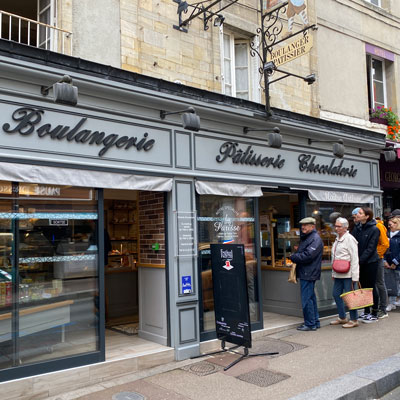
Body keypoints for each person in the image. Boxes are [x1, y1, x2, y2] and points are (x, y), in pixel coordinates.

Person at [290, 217, 323, 331]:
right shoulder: (309, 237)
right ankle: (315, 322)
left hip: (309, 272)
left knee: (307, 299)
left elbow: (308, 255)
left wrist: (293, 257)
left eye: (306, 225)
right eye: (302, 225)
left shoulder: (314, 238)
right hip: (307, 271)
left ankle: (310, 324)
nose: (303, 227)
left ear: (312, 226)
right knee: (311, 298)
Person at [351, 207, 380, 323]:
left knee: (371, 287)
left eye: (360, 213)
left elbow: (371, 248)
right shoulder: (358, 228)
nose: (357, 214)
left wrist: (359, 260)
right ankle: (366, 310)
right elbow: (353, 243)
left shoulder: (374, 229)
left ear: (367, 216)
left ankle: (375, 312)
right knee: (362, 287)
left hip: (370, 262)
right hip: (359, 262)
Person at [330, 217, 360, 328]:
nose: (336, 228)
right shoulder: (337, 238)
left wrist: (355, 276)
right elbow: (334, 258)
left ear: (345, 227)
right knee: (336, 294)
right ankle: (342, 317)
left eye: (339, 226)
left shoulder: (350, 239)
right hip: (338, 272)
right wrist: (333, 273)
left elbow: (355, 258)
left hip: (348, 274)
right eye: (336, 226)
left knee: (350, 297)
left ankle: (354, 319)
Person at [372, 217, 390, 319]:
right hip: (372, 259)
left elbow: (385, 244)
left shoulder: (379, 226)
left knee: (379, 283)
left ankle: (383, 308)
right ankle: (375, 308)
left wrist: (376, 255)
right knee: (374, 283)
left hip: (377, 259)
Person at [384, 216, 400, 311]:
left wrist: (396, 262)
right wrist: (385, 260)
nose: (389, 226)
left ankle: (395, 300)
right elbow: (385, 249)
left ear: (396, 224)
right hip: (389, 264)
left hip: (397, 263)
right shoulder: (388, 235)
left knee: (397, 283)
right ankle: (392, 302)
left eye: (390, 224)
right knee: (391, 283)